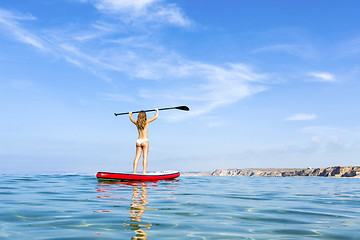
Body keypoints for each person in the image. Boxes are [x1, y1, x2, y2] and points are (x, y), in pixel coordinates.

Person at [129, 109, 159, 174]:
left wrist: (130, 115)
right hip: (145, 140)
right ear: (145, 116)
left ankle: (134, 171)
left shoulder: (136, 123)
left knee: (137, 156)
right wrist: (156, 111)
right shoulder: (146, 122)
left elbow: (131, 119)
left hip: (138, 141)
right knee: (145, 156)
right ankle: (144, 171)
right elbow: (155, 117)